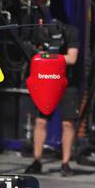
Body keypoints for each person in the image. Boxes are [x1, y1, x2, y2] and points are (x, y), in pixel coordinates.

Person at [24, 18, 80, 176]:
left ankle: (66, 163)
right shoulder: (38, 31)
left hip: (66, 82)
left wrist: (47, 57)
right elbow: (32, 53)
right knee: (40, 121)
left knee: (68, 123)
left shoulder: (71, 31)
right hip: (45, 80)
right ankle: (37, 160)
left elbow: (72, 58)